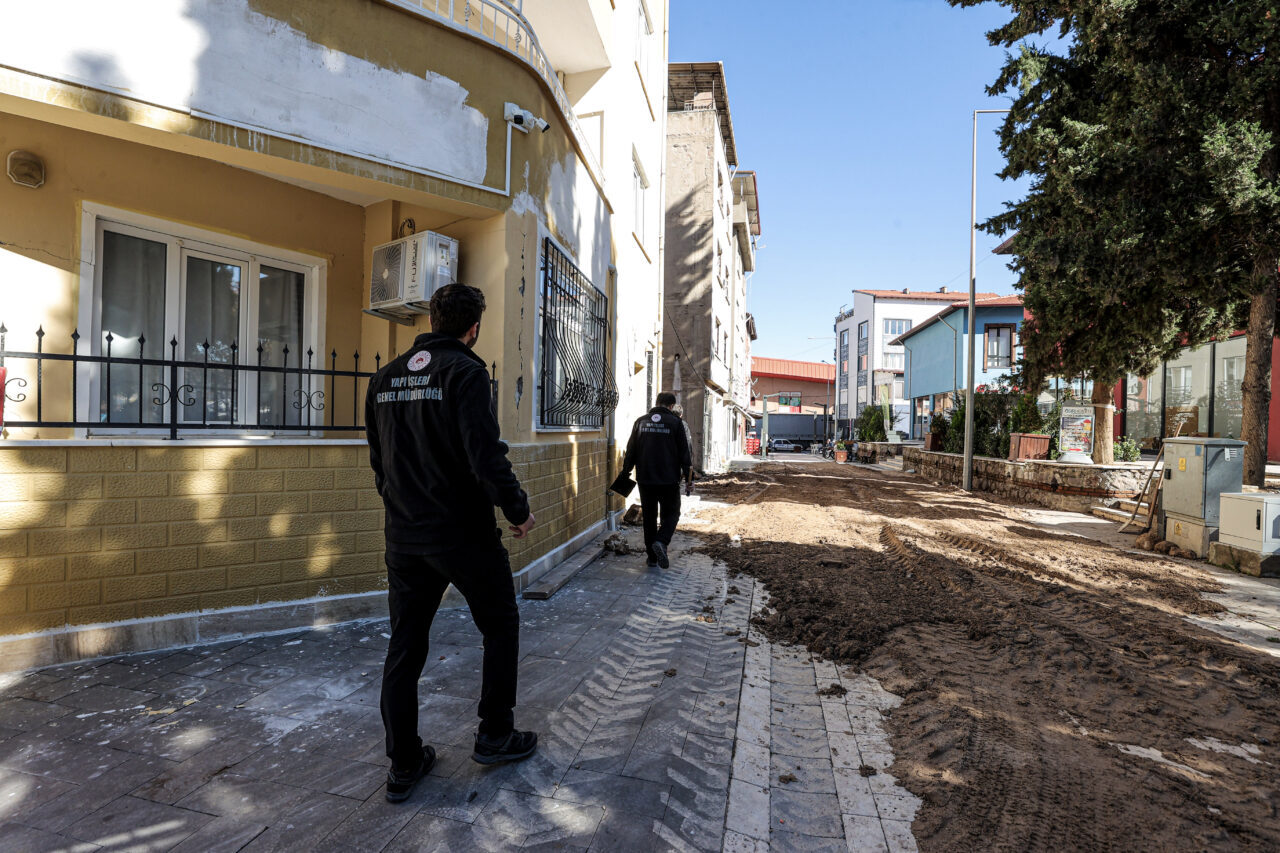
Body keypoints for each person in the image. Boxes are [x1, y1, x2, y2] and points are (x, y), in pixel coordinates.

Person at [365, 283, 538, 804]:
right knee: (500, 624)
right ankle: (494, 733)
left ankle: (403, 762)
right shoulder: (467, 373)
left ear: (432, 319)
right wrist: (517, 510)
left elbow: (379, 465)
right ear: (473, 327)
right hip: (463, 535)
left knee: (405, 645)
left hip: (405, 537)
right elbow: (486, 456)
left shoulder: (383, 379)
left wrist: (403, 509)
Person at [621, 392, 691, 568]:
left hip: (645, 478)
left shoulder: (641, 421)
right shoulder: (676, 423)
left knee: (650, 517)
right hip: (668, 479)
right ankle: (661, 541)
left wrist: (625, 472)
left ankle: (652, 557)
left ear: (657, 403)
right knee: (672, 514)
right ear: (671, 406)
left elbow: (631, 450)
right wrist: (688, 476)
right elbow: (684, 452)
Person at [671, 403, 695, 497]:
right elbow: (687, 450)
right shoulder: (682, 425)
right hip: (673, 471)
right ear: (681, 415)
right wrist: (689, 477)